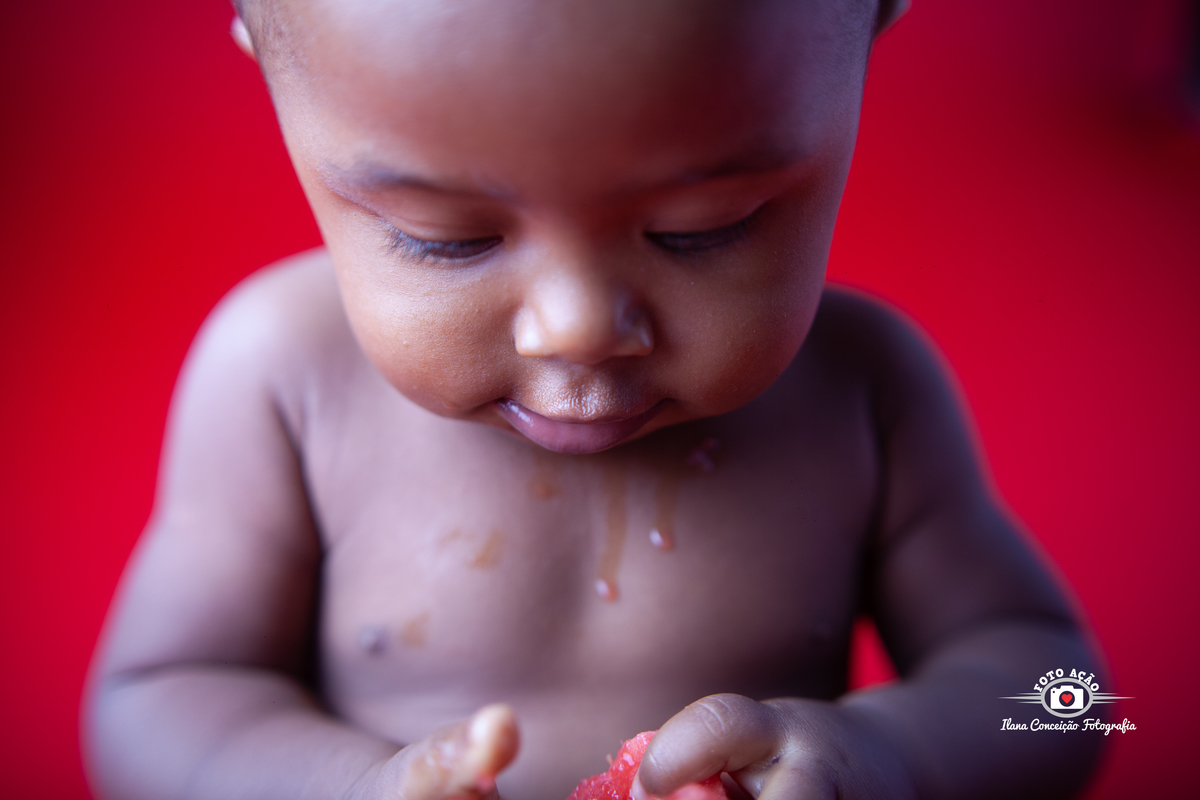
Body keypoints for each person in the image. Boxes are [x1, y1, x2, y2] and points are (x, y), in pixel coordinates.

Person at [83, 1, 1107, 798]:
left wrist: (886, 755)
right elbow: (154, 700)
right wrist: (345, 787)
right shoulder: (286, 376)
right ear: (270, 63)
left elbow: (1068, 698)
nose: (574, 329)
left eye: (704, 225)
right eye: (447, 238)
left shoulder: (864, 391)